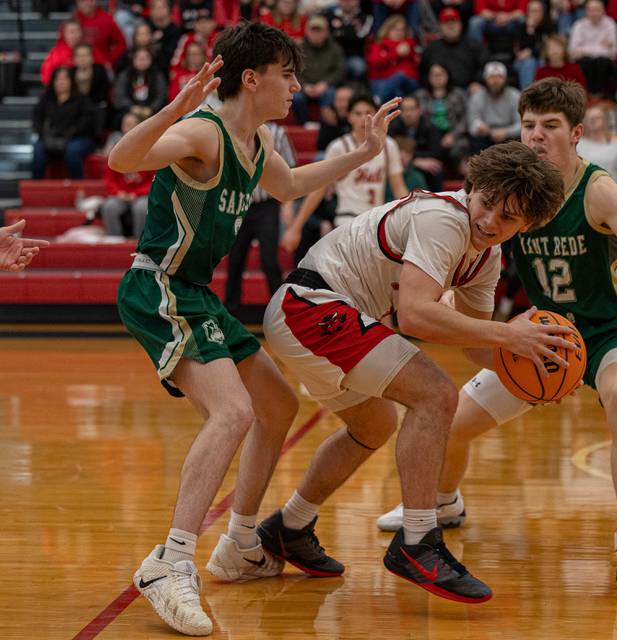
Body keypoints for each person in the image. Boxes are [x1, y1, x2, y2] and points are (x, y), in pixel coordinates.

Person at [109, 22, 401, 636]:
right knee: (233, 412)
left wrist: (363, 155)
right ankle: (172, 560)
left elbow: (290, 185)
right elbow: (121, 160)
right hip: (158, 284)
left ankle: (241, 542)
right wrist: (174, 110)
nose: (297, 84)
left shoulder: (256, 142)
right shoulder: (204, 133)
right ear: (252, 78)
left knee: (276, 403)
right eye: (288, 74)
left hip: (196, 294)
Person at [376, 78, 617, 590]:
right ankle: (443, 503)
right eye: (528, 124)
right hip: (541, 337)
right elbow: (466, 239)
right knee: (454, 423)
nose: (536, 136)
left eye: (549, 126)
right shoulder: (516, 189)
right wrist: (444, 290)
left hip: (609, 330)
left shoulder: (596, 189)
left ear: (576, 133)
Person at [260, 140, 568, 603]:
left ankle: (290, 526)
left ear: (528, 224)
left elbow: (473, 343)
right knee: (436, 394)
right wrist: (509, 335)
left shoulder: (486, 256)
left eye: (508, 218)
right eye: (487, 204)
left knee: (375, 425)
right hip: (310, 305)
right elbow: (416, 317)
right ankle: (418, 542)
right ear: (473, 188)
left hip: (326, 315)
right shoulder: (443, 218)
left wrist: (532, 373)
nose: (489, 221)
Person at [282, 94, 408, 249]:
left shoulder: (389, 145)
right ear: (349, 117)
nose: (364, 118)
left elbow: (399, 187)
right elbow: (319, 190)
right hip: (347, 219)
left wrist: (411, 218)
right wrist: (296, 227)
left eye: (368, 112)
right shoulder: (339, 147)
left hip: (376, 220)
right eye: (358, 113)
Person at [225, 121, 296, 317]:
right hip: (239, 203)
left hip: (267, 206)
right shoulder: (232, 128)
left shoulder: (277, 133)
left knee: (269, 261)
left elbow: (289, 169)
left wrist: (288, 205)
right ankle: (231, 314)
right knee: (235, 260)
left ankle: (281, 314)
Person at [32, 67, 98, 180]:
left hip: (77, 138)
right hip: (51, 138)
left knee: (73, 151)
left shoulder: (81, 100)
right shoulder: (46, 99)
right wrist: (44, 135)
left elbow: (87, 122)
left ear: (71, 81)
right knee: (38, 150)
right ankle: (37, 188)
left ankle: (79, 187)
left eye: (65, 78)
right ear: (53, 82)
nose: (61, 82)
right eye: (58, 79)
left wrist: (71, 133)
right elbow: (37, 119)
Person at [100, 112, 155, 239]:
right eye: (124, 125)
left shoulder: (150, 148)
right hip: (122, 194)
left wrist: (137, 193)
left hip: (142, 194)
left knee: (141, 207)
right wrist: (118, 193)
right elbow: (109, 179)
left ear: (139, 127)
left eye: (130, 125)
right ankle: (115, 240)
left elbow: (154, 180)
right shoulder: (116, 150)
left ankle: (140, 241)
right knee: (109, 206)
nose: (126, 128)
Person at [567, 0, 617, 97]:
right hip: (584, 63)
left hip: (604, 64)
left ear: (603, 10)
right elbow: (572, 51)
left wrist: (584, 49)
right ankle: (587, 95)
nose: (594, 13)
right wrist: (601, 47)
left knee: (601, 62)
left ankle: (601, 96)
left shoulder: (610, 24)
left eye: (597, 10)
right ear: (586, 11)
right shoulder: (579, 25)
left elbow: (613, 52)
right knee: (586, 61)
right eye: (591, 10)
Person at [467, 61, 521, 153]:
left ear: (505, 79)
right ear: (485, 79)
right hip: (486, 136)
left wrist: (506, 132)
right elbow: (472, 124)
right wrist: (479, 126)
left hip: (509, 136)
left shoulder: (515, 96)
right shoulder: (477, 97)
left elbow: (521, 124)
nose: (495, 81)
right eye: (492, 77)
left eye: (499, 77)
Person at [366, 14, 420, 103]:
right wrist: (396, 54)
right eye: (395, 29)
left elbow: (411, 69)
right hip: (382, 81)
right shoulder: (379, 45)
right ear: (387, 29)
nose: (398, 32)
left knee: (400, 76)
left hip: (407, 82)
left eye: (401, 30)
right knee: (396, 92)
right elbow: (374, 63)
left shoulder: (409, 45)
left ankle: (376, 101)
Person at [577, 105, 617, 187]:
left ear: (604, 120)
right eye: (589, 118)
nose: (593, 121)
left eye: (597, 118)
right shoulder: (578, 143)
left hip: (612, 190)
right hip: (582, 190)